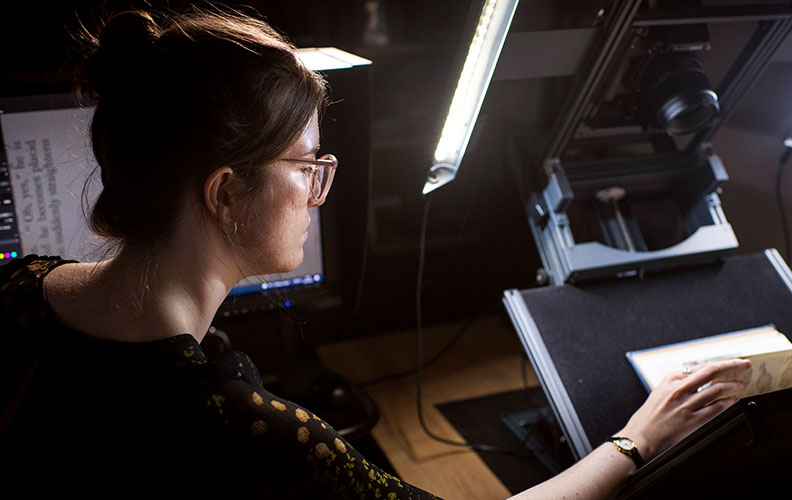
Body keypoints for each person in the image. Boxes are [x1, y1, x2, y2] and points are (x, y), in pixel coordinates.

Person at [0, 8, 750, 499]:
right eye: (308, 166)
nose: (320, 190)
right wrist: (638, 438)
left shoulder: (22, 290)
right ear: (225, 193)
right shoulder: (240, 430)